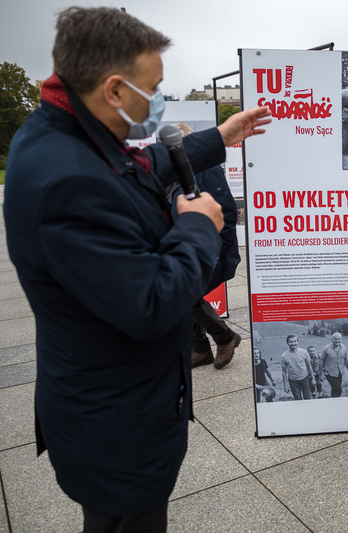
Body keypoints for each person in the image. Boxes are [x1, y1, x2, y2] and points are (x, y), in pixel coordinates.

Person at [2, 7, 271, 531]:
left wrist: (219, 136)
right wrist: (199, 227)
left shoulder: (67, 134)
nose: (159, 100)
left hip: (117, 408)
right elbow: (150, 304)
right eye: (154, 88)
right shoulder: (66, 182)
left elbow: (136, 168)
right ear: (114, 90)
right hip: (115, 428)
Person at [167, 124, 241, 370]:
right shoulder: (175, 172)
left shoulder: (205, 169)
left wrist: (211, 249)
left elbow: (226, 213)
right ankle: (200, 349)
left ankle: (224, 338)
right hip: (183, 246)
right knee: (183, 296)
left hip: (207, 248)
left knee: (184, 296)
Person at [280, 334, 316, 400]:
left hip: (305, 379)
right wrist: (285, 385)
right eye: (291, 342)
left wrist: (313, 378)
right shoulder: (284, 356)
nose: (293, 343)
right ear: (287, 343)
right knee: (298, 399)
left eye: (295, 341)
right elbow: (284, 372)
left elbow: (309, 366)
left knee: (308, 398)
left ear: (297, 342)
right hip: (293, 381)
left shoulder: (304, 352)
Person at [319, 332, 348, 398]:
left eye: (339, 339)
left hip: (340, 372)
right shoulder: (326, 348)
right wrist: (320, 374)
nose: (337, 341)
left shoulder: (343, 347)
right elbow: (321, 360)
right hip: (329, 373)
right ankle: (336, 401)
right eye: (335, 339)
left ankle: (333, 402)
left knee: (335, 389)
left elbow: (346, 359)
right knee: (338, 388)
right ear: (332, 340)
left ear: (341, 340)